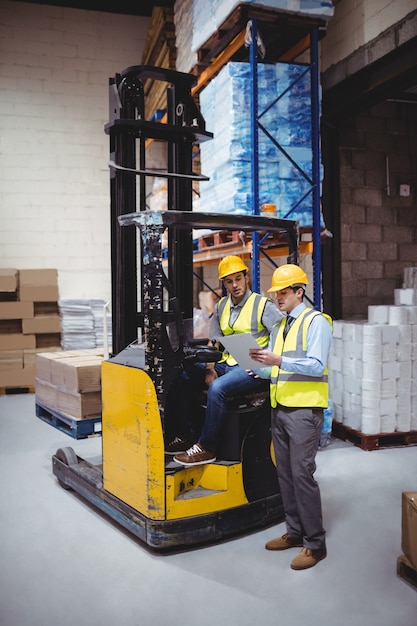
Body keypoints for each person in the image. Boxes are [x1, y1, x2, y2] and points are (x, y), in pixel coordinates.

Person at [249, 264, 332, 571]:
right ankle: (295, 532)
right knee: (284, 473)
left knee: (301, 474)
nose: (278, 298)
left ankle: (315, 543)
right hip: (280, 407)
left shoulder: (316, 322)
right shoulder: (282, 325)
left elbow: (316, 365)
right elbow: (275, 369)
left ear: (300, 292)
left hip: (304, 411)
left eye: (283, 292)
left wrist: (278, 359)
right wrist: (256, 366)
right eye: (275, 293)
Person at [165, 254, 283, 466]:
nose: (234, 285)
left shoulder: (262, 305)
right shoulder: (221, 307)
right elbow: (214, 342)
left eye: (238, 279)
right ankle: (188, 436)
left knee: (218, 388)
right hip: (227, 362)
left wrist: (266, 363)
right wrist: (210, 369)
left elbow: (283, 334)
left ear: (246, 278)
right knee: (180, 376)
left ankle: (207, 447)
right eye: (229, 281)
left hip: (253, 367)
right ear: (224, 283)